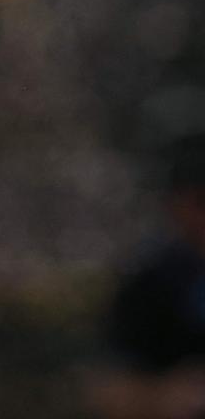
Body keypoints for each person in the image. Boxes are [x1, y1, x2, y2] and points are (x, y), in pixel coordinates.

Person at [92, 134, 205, 419]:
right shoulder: (151, 282)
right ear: (177, 205)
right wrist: (165, 395)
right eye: (202, 200)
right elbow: (109, 390)